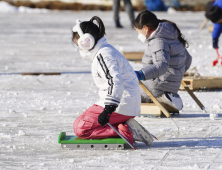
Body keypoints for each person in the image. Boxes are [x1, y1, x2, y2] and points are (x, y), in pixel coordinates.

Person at [71, 16, 153, 146]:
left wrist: (108, 109)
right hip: (123, 101)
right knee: (79, 123)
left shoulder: (103, 56)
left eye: (79, 44)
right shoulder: (104, 52)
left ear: (87, 41)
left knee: (81, 128)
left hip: (121, 104)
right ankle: (122, 124)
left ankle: (126, 131)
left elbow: (115, 82)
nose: (80, 48)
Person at [133, 10, 192, 110]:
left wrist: (141, 74)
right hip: (173, 85)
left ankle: (161, 96)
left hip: (156, 85)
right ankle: (166, 96)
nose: (138, 34)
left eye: (138, 31)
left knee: (128, 93)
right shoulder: (171, 35)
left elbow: (162, 65)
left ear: (145, 29)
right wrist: (176, 75)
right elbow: (188, 59)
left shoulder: (158, 41)